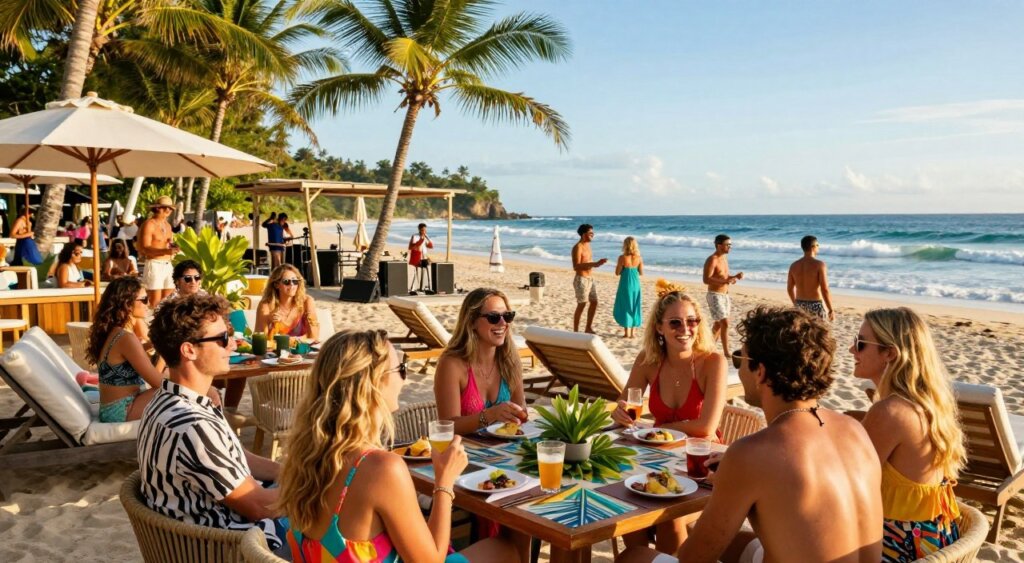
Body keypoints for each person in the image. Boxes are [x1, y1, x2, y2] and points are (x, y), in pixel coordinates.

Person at [618, 306, 883, 563]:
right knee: (737, 543)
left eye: (739, 359)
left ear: (761, 371)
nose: (738, 369)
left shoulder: (753, 453)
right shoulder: (855, 429)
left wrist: (734, 478)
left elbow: (693, 558)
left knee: (633, 556)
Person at [279, 329, 522, 562]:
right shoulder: (380, 468)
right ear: (375, 383)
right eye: (402, 370)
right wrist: (444, 482)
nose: (404, 380)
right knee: (506, 548)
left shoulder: (306, 456)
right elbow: (431, 561)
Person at [137, 294, 285, 550]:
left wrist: (287, 471)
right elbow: (259, 507)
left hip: (207, 530)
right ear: (189, 350)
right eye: (223, 338)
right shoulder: (193, 425)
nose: (233, 345)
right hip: (229, 545)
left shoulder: (169, 400)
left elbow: (236, 456)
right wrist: (318, 488)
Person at [610, 279, 727, 553]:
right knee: (626, 507)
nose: (685, 329)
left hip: (700, 466)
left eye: (692, 321)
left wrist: (655, 428)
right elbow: (627, 403)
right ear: (659, 327)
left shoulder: (712, 362)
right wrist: (620, 412)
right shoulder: (648, 360)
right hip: (655, 458)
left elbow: (706, 428)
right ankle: (639, 558)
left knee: (669, 519)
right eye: (675, 323)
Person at [853, 308, 965, 561]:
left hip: (900, 546)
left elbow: (851, 486)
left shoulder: (891, 412)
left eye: (860, 344)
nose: (852, 351)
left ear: (890, 353)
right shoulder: (927, 406)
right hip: (934, 540)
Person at [435, 287, 528, 435]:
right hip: (464, 452)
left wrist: (521, 413)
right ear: (472, 322)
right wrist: (491, 415)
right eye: (493, 317)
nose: (503, 323)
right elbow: (447, 426)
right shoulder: (452, 364)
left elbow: (520, 413)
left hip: (503, 450)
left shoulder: (510, 360)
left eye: (508, 316)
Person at [86, 277, 163, 421]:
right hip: (122, 410)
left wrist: (150, 346)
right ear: (127, 304)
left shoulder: (115, 332)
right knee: (179, 392)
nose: (149, 303)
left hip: (112, 409)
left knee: (182, 389)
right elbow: (158, 382)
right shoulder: (125, 337)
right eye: (144, 299)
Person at [255, 264, 319, 342]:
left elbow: (314, 337)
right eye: (286, 281)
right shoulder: (266, 305)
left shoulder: (307, 302)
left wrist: (291, 340)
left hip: (303, 351)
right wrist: (269, 322)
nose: (292, 284)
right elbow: (260, 340)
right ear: (276, 285)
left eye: (295, 281)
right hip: (275, 352)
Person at [702, 234, 742, 357]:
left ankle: (709, 347)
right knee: (725, 323)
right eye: (727, 245)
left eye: (730, 245)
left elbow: (723, 277)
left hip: (725, 295)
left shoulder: (724, 259)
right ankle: (726, 352)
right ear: (719, 245)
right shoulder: (712, 259)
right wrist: (725, 281)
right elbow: (706, 279)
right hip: (714, 295)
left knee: (719, 324)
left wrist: (734, 277)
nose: (729, 247)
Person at [138, 196, 179, 306]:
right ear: (156, 208)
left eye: (170, 208)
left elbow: (168, 244)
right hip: (154, 264)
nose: (168, 210)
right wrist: (165, 251)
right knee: (154, 301)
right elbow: (144, 247)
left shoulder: (168, 226)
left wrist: (174, 247)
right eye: (164, 207)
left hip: (167, 264)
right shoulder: (149, 224)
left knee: (169, 300)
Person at [787, 235, 835, 322]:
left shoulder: (794, 265)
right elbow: (825, 289)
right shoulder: (819, 265)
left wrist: (795, 304)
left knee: (802, 334)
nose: (818, 247)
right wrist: (831, 309)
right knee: (819, 334)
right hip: (815, 305)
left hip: (799, 304)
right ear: (813, 247)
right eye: (817, 245)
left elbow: (789, 288)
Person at [572, 223, 608, 333]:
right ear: (583, 234)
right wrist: (594, 264)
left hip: (590, 278)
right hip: (581, 279)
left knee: (594, 302)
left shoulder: (588, 245)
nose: (592, 235)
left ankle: (588, 327)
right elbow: (576, 266)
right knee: (582, 304)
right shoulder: (578, 247)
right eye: (590, 233)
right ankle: (576, 331)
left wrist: (596, 264)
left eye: (593, 233)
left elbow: (588, 262)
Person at [613, 236, 644, 338]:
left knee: (626, 306)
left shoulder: (622, 258)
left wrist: (623, 269)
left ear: (625, 245)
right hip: (635, 285)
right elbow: (641, 273)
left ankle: (627, 333)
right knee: (635, 306)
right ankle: (633, 333)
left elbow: (617, 273)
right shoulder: (639, 258)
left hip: (625, 285)